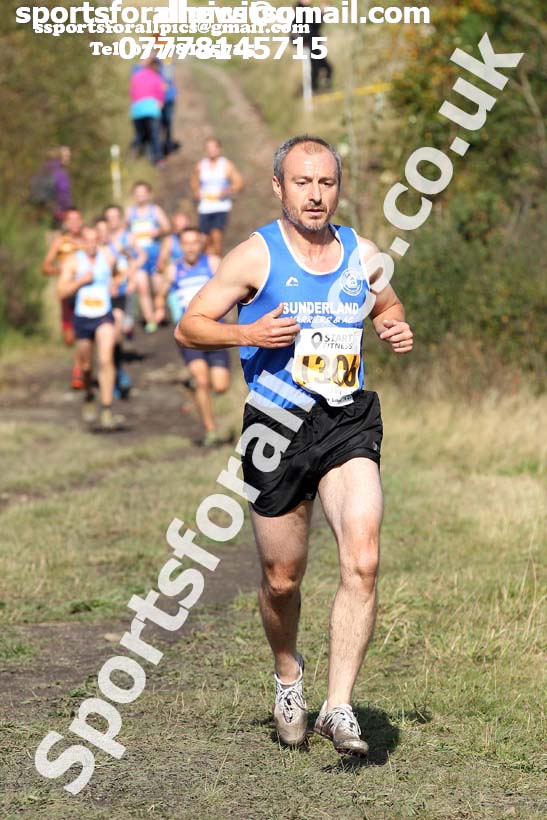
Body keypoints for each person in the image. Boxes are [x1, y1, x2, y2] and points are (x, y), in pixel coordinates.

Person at [175, 135, 413, 755]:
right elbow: (190, 325)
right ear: (279, 187)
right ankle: (288, 675)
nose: (316, 194)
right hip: (273, 429)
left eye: (327, 182)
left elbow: (387, 303)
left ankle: (338, 707)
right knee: (283, 578)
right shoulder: (255, 255)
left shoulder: (362, 253)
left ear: (339, 186)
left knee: (362, 558)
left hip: (346, 420)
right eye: (303, 183)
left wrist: (390, 324)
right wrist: (247, 330)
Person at [164, 227, 230, 446]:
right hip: (190, 333)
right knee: (202, 381)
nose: (191, 247)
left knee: (220, 385)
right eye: (186, 243)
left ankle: (193, 388)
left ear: (201, 243)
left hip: (216, 330)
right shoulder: (174, 270)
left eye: (194, 242)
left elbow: (233, 287)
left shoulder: (212, 263)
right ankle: (210, 430)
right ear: (180, 246)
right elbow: (162, 293)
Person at [57, 225, 125, 431]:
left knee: (105, 359)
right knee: (86, 366)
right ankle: (88, 393)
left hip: (104, 315)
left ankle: (106, 409)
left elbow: (118, 274)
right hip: (83, 317)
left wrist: (114, 284)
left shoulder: (107, 256)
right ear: (81, 242)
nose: (91, 244)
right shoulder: (73, 261)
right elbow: (61, 291)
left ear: (99, 240)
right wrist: (80, 281)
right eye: (87, 240)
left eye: (95, 239)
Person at [104, 204, 148, 395]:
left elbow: (140, 256)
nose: (112, 221)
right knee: (108, 339)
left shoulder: (126, 238)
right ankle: (113, 374)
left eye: (115, 217)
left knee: (116, 333)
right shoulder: (101, 240)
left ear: (121, 218)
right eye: (109, 217)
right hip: (103, 294)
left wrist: (131, 272)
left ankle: (118, 373)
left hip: (121, 291)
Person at [42, 207, 84, 388]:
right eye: (70, 220)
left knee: (82, 331)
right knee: (69, 338)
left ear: (81, 221)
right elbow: (45, 266)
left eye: (77, 219)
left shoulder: (88, 240)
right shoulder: (60, 242)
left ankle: (78, 370)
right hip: (67, 292)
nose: (74, 223)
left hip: (85, 292)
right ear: (66, 223)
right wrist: (61, 271)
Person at [126, 181, 171, 332]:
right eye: (138, 193)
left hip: (154, 253)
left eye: (143, 192)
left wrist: (157, 232)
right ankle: (150, 319)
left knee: (158, 285)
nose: (141, 196)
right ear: (134, 195)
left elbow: (167, 227)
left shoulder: (155, 210)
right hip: (137, 255)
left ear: (148, 194)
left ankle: (160, 310)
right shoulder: (130, 212)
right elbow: (123, 231)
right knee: (142, 288)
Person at [191, 138, 244, 256]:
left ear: (219, 149)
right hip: (205, 206)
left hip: (221, 206)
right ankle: (207, 263)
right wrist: (196, 191)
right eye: (209, 148)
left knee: (216, 235)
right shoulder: (201, 165)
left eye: (214, 147)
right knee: (204, 239)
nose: (211, 150)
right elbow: (194, 181)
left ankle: (217, 261)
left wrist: (228, 190)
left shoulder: (226, 165)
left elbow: (239, 183)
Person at [129, 57, 166, 166]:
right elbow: (160, 93)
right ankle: (158, 159)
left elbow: (133, 92)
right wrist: (160, 102)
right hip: (152, 109)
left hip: (137, 110)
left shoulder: (136, 76)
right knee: (154, 136)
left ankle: (135, 155)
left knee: (140, 135)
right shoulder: (156, 77)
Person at [31, 146, 74, 230]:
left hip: (41, 210)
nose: (69, 159)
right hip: (58, 213)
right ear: (60, 156)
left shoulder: (43, 169)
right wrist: (69, 211)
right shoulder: (61, 173)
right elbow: (64, 193)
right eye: (67, 156)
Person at [295, 0, 333, 92]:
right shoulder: (300, 10)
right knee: (315, 68)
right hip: (310, 43)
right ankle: (313, 89)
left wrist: (321, 12)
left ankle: (318, 88)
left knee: (325, 68)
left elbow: (315, 25)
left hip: (314, 42)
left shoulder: (307, 10)